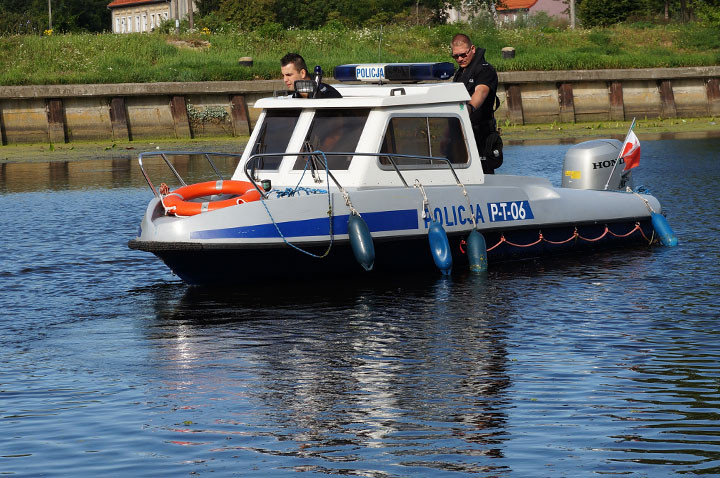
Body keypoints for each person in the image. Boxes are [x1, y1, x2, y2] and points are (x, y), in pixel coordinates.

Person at [451, 34, 502, 174]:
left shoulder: (485, 70)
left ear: (472, 49)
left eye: (463, 55)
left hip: (482, 135)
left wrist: (469, 108)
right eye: (455, 56)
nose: (460, 59)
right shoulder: (460, 74)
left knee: (484, 176)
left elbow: (481, 92)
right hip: (462, 135)